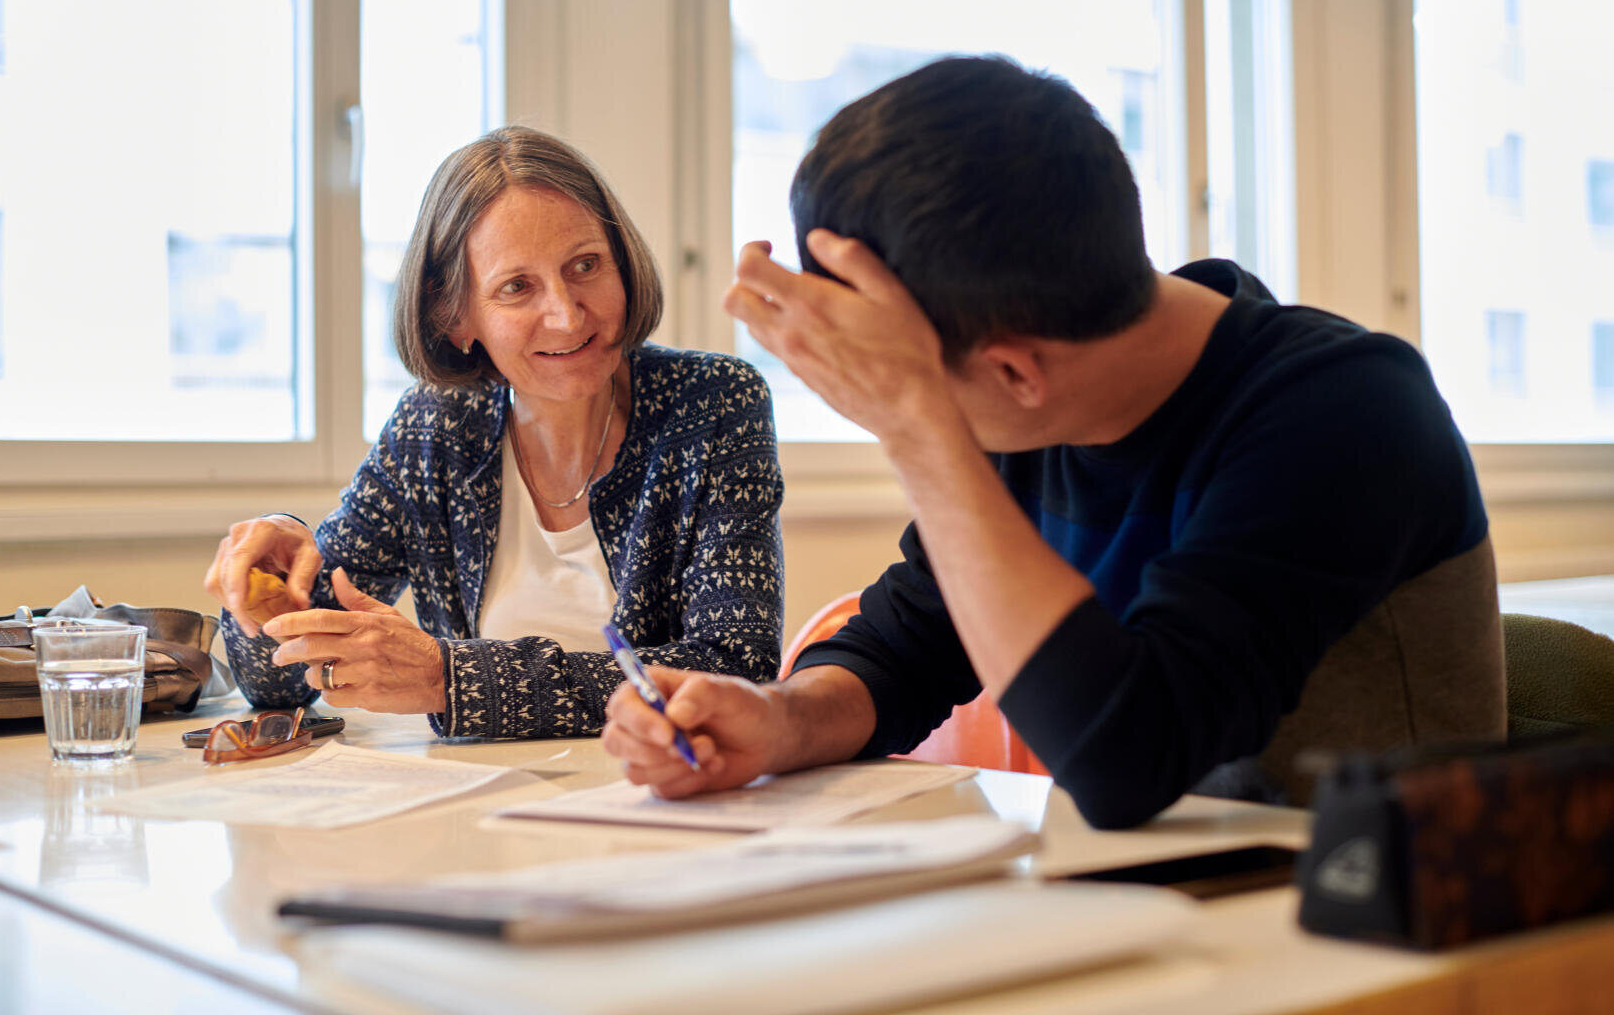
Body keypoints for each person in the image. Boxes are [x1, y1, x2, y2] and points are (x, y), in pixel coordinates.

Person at [602, 56, 1504, 829]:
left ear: (1015, 373)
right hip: (1167, 903)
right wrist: (778, 720)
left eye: (915, 384)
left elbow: (1128, 758)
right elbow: (909, 643)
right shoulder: (1035, 401)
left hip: (1377, 920)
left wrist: (918, 432)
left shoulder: (1344, 414)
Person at [205, 127, 784, 739]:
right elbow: (277, 682)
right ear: (456, 319)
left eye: (585, 265)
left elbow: (733, 668)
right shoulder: (433, 429)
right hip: (477, 811)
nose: (566, 313)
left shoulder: (714, 402)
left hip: (661, 799)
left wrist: (451, 679)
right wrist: (263, 591)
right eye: (517, 287)